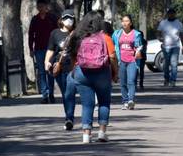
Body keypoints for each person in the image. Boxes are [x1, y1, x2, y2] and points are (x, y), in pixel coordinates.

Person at [66, 11, 119, 143]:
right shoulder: (105, 37)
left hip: (82, 73)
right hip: (102, 73)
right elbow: (112, 57)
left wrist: (73, 70)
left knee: (87, 104)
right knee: (104, 101)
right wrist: (115, 73)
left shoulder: (78, 37)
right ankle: (101, 132)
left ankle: (86, 135)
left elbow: (72, 56)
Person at [45, 9, 77, 130]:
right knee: (65, 94)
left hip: (73, 67)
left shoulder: (77, 33)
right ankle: (68, 117)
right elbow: (50, 49)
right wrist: (46, 61)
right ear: (61, 20)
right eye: (66, 18)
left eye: (71, 18)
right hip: (59, 67)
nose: (68, 20)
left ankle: (69, 119)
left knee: (70, 93)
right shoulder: (55, 33)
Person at [28, 0, 58, 104]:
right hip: (39, 49)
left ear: (46, 7)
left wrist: (57, 48)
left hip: (50, 49)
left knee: (50, 71)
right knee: (41, 72)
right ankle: (44, 95)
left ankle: (51, 94)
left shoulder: (52, 18)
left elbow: (57, 32)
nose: (41, 9)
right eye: (39, 7)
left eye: (43, 6)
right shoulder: (35, 19)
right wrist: (31, 49)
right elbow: (31, 34)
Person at [112, 15, 144, 110]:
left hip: (132, 61)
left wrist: (138, 51)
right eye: (123, 21)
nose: (125, 23)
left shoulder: (136, 34)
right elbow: (113, 45)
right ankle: (125, 101)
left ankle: (131, 100)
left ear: (131, 23)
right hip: (121, 61)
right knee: (123, 83)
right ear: (121, 23)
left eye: (127, 21)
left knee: (131, 81)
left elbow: (139, 46)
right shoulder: (117, 34)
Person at [156, 8, 183, 87]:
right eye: (169, 13)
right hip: (165, 47)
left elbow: (182, 36)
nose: (171, 15)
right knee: (166, 64)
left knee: (174, 64)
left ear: (175, 14)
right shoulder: (163, 23)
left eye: (172, 13)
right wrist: (159, 38)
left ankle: (173, 80)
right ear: (167, 14)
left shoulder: (179, 23)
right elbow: (158, 33)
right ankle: (166, 79)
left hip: (175, 46)